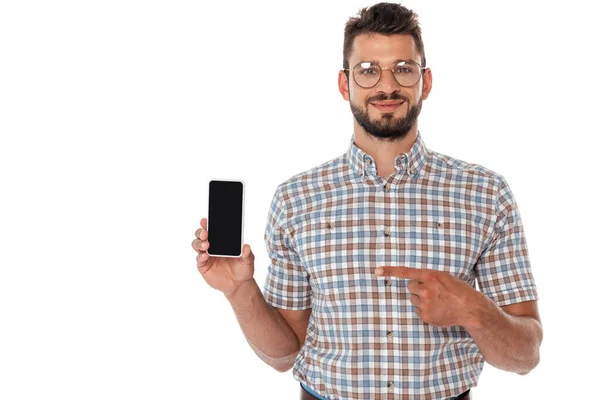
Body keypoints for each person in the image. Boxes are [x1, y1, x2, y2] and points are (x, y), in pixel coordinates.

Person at [192, 3, 543, 399]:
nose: (387, 85)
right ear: (345, 85)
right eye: (368, 70)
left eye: (404, 69)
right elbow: (284, 354)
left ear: (425, 82)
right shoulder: (295, 199)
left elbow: (525, 355)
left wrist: (471, 310)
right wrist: (239, 290)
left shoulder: (486, 194)